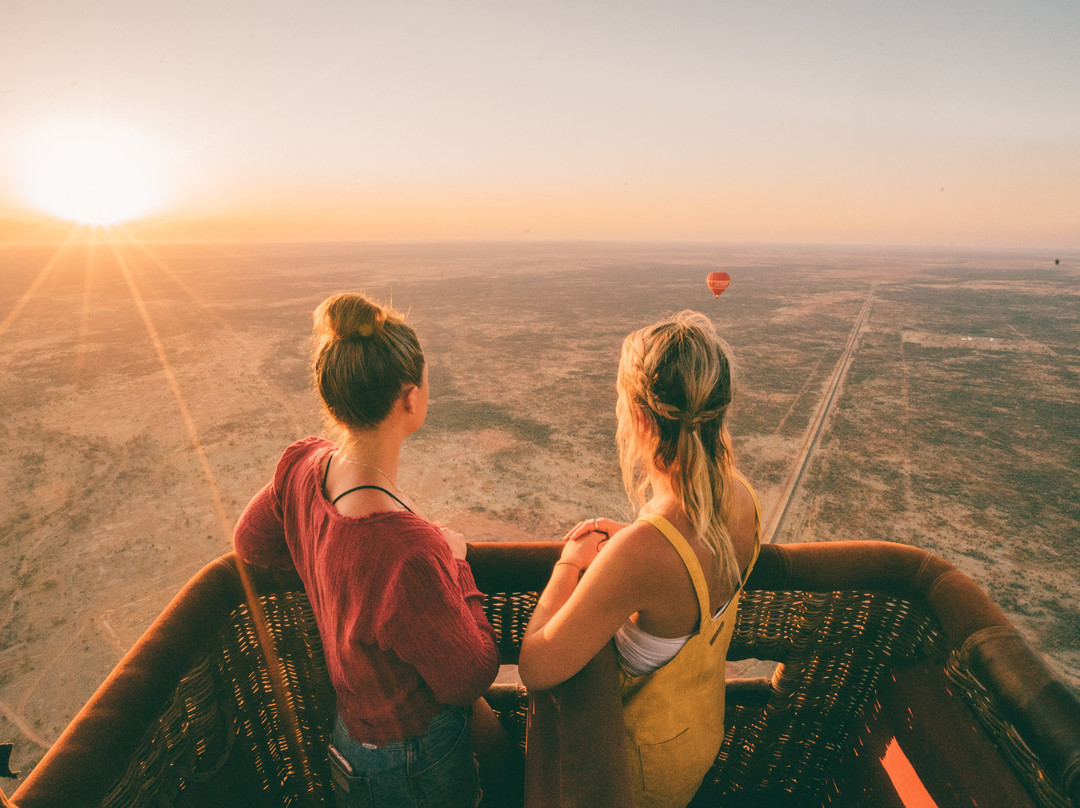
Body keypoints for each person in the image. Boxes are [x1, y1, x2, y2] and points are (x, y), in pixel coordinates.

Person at [233, 292, 500, 808]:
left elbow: (250, 541)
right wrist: (459, 567)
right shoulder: (411, 553)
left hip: (351, 741)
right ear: (409, 399)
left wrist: (325, 560)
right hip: (415, 763)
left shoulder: (302, 465)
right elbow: (469, 677)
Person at [518, 310, 761, 808]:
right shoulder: (742, 500)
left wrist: (569, 562)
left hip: (635, 777)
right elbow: (689, 565)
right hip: (696, 742)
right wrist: (639, 543)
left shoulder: (641, 554)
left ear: (643, 419)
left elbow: (537, 665)